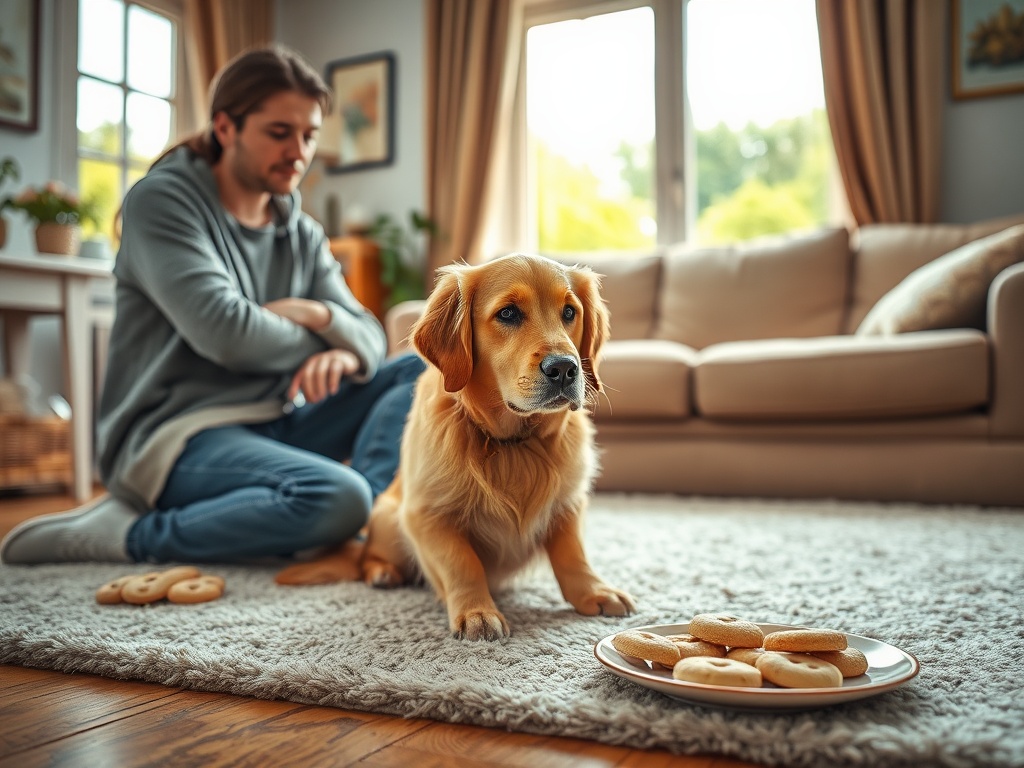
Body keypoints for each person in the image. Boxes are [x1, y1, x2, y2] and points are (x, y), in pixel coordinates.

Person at [0, 46, 425, 565]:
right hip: (175, 434)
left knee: (415, 371)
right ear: (226, 128)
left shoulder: (302, 232)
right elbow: (228, 336)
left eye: (309, 135)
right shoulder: (161, 203)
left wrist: (321, 318)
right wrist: (332, 340)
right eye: (279, 132)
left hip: (274, 417)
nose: (299, 152)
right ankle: (129, 534)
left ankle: (369, 527)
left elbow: (371, 336)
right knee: (333, 495)